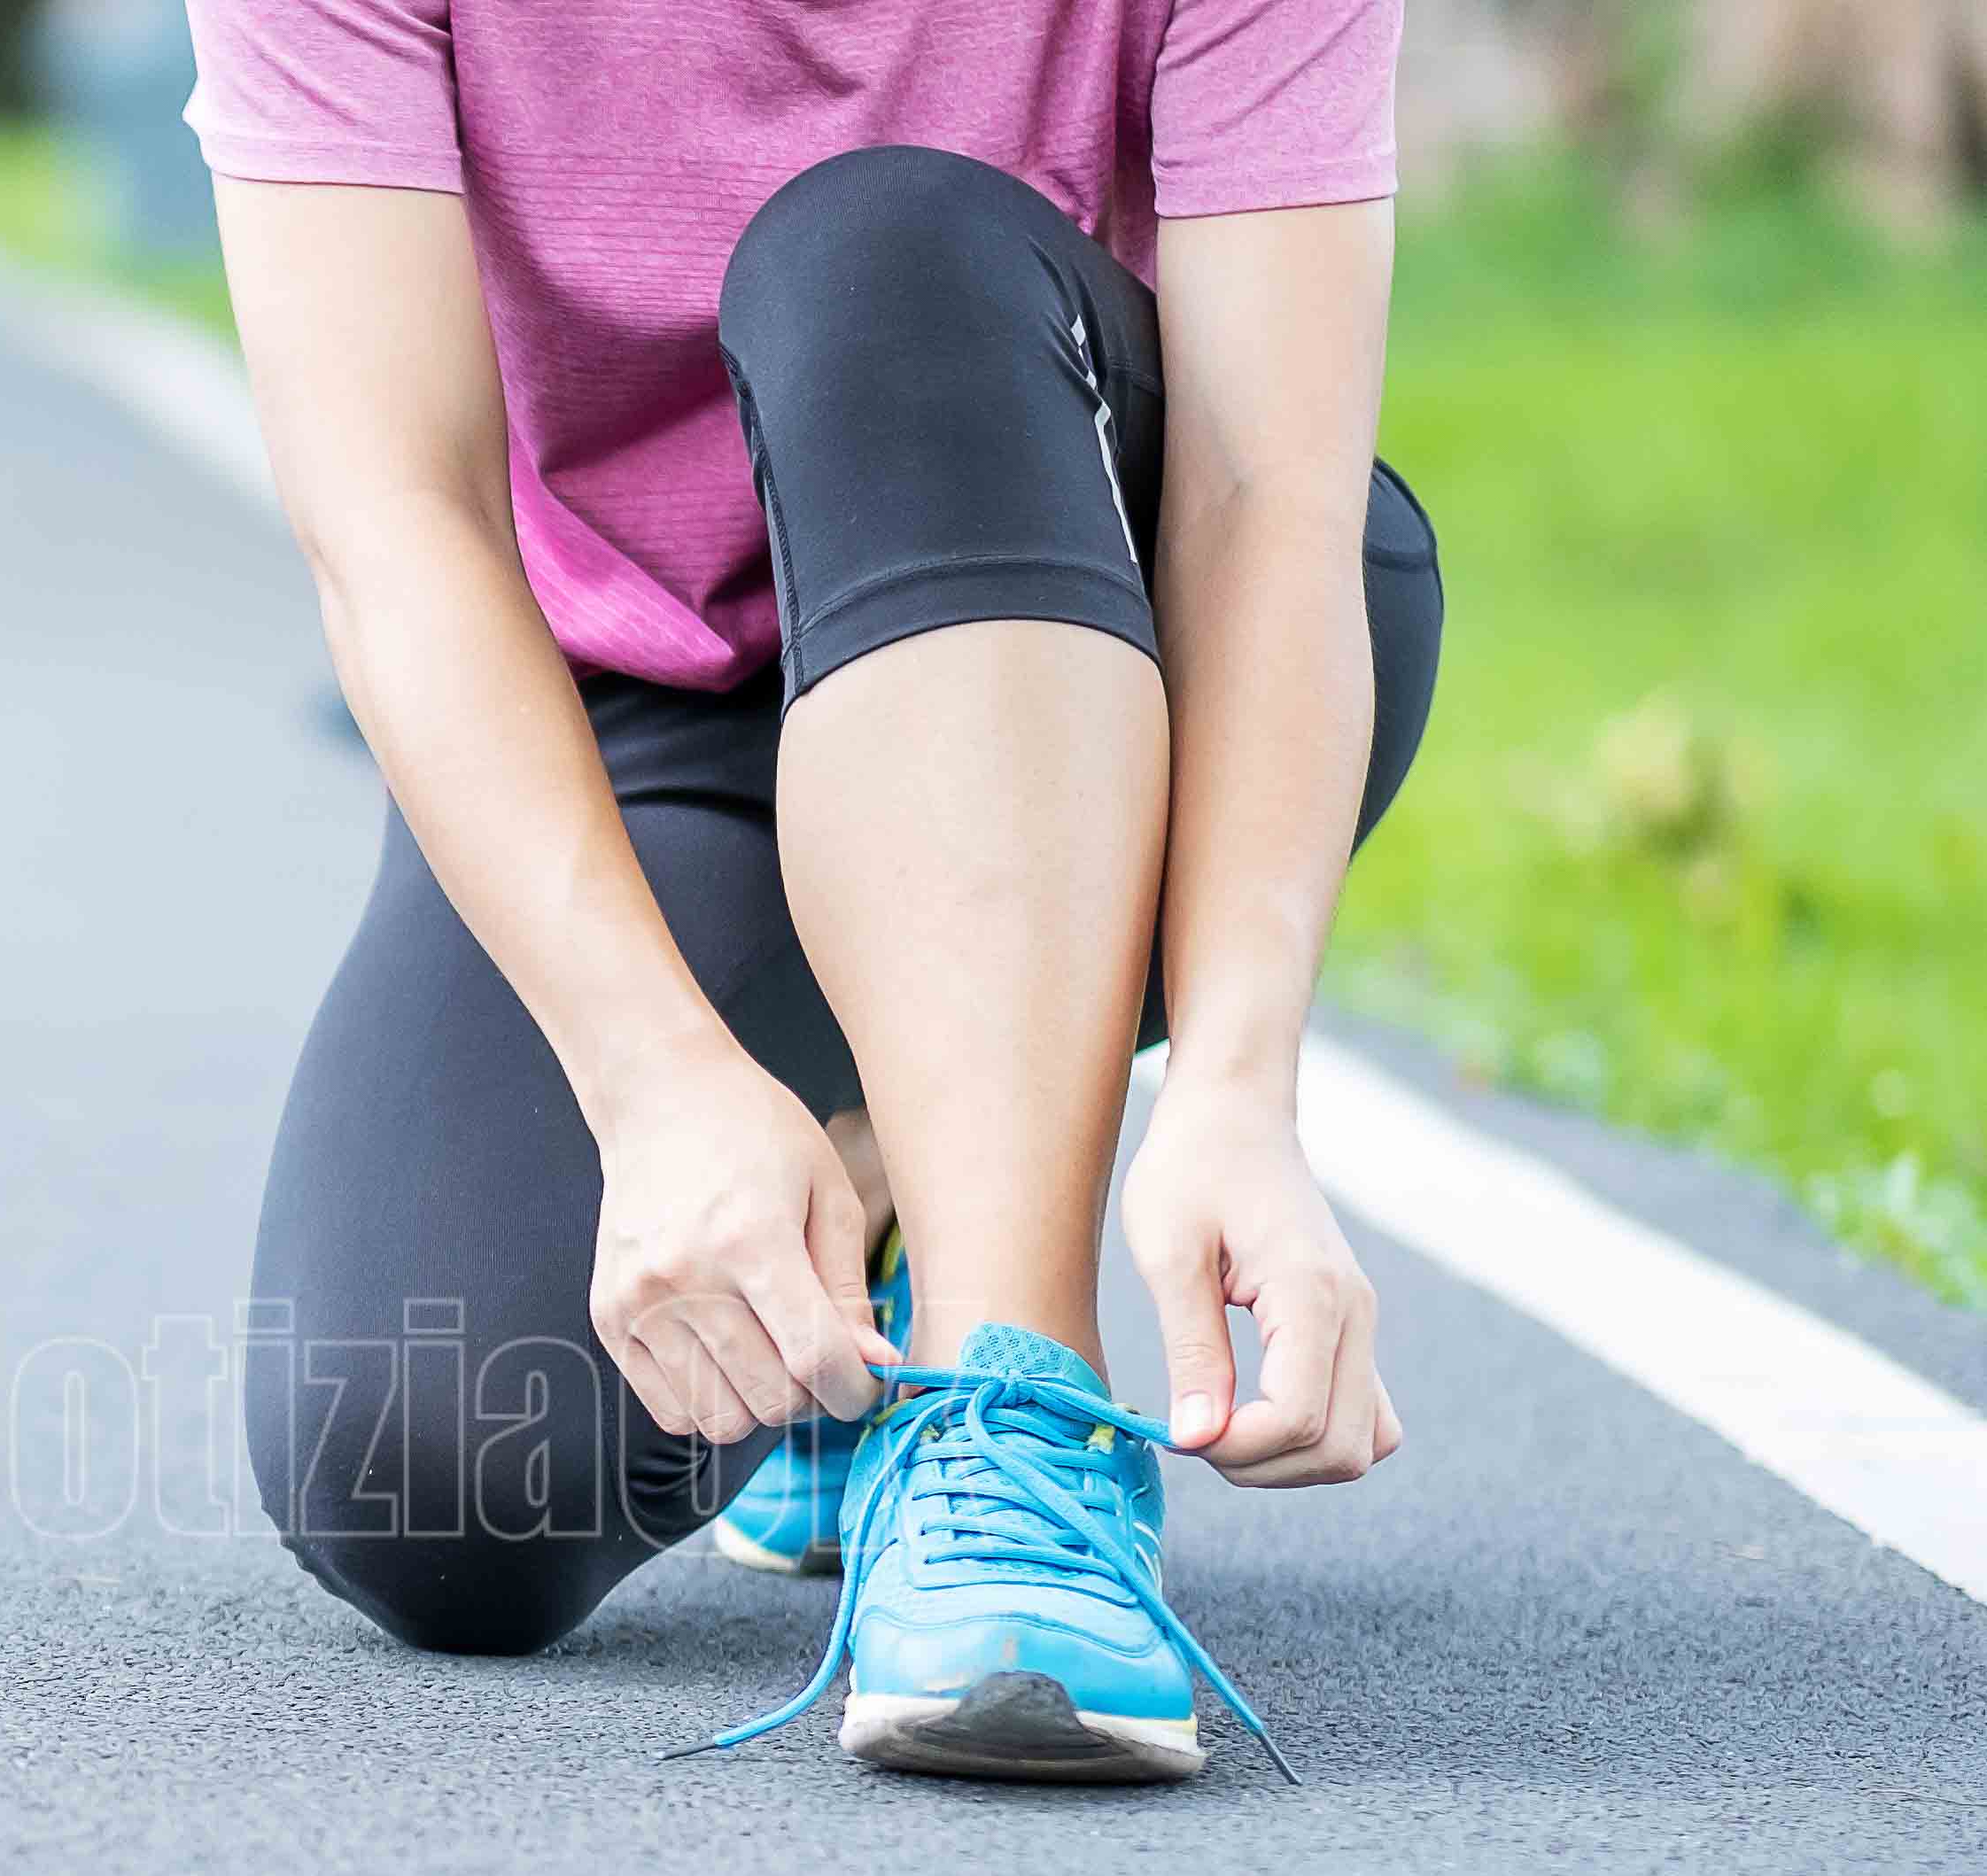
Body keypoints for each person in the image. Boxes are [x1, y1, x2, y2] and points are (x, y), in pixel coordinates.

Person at [194, 0, 1442, 1782]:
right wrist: (655, 1081)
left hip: (1104, 614)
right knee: (432, 1473)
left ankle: (1013, 1404)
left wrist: (1241, 1081)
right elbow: (401, 520)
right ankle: (867, 1187)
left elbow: (1268, 503)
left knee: (869, 254)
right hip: (655, 701)